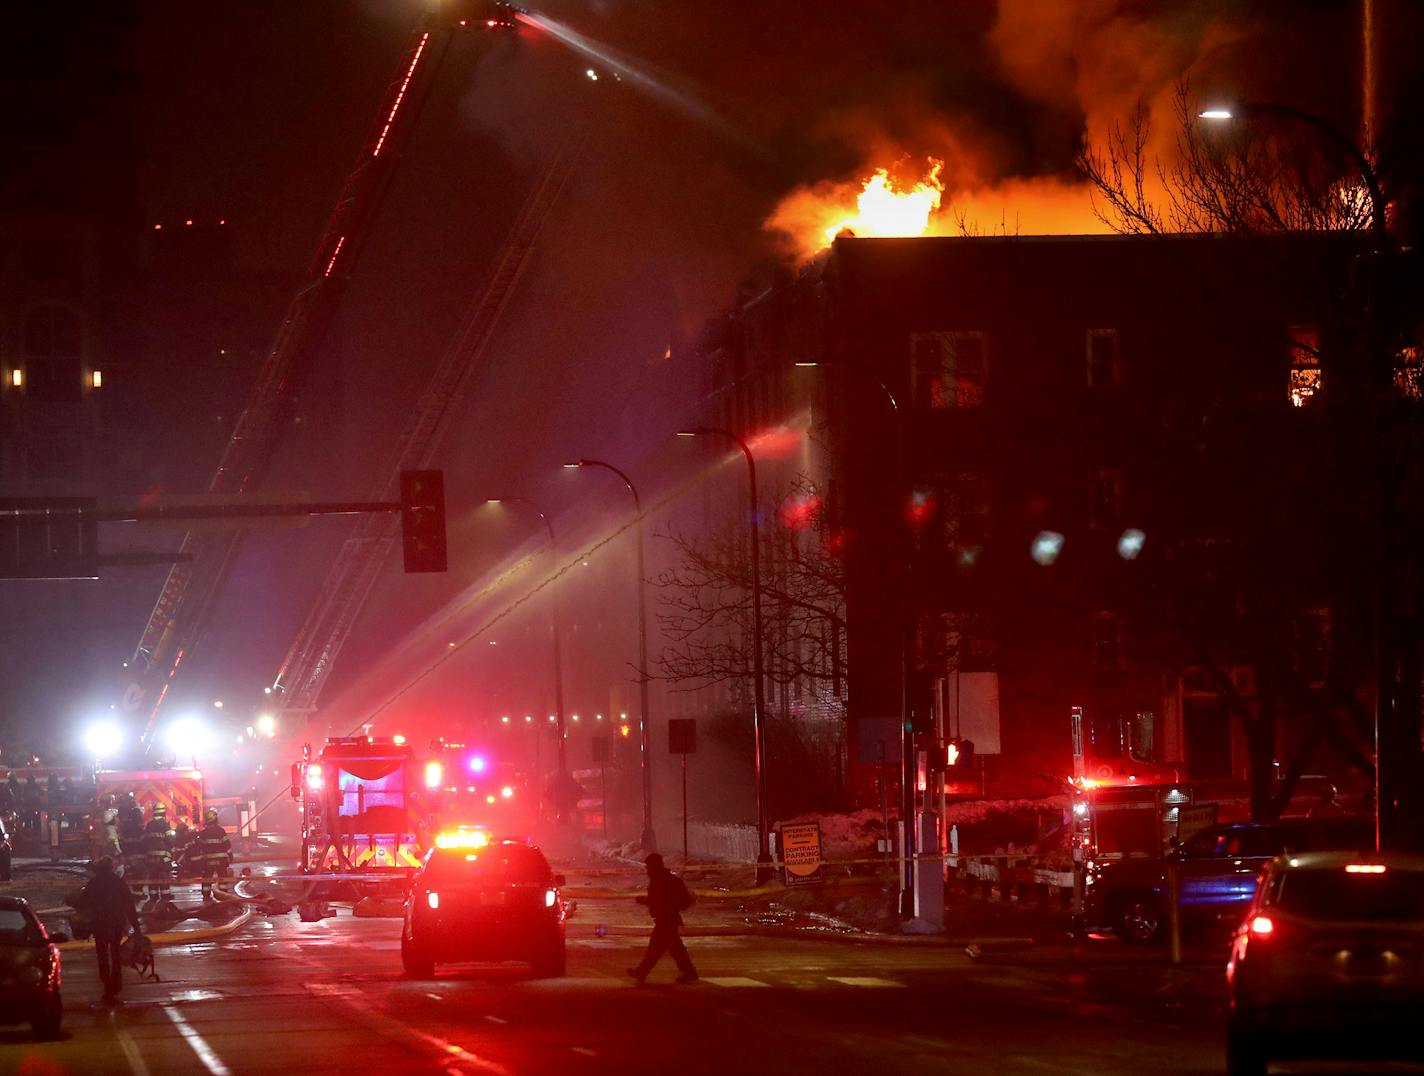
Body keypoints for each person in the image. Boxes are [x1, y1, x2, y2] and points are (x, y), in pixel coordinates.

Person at [74, 856, 141, 1003]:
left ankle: (106, 983)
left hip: (100, 924)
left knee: (102, 954)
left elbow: (83, 902)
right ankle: (116, 984)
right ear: (111, 868)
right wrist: (136, 926)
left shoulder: (94, 883)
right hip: (116, 924)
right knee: (115, 953)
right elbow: (129, 905)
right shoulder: (119, 883)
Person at [627, 853, 698, 984]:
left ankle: (642, 972)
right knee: (673, 948)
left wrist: (645, 901)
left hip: (666, 919)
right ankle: (689, 972)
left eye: (648, 867)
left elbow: (660, 901)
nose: (647, 871)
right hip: (667, 918)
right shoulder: (666, 879)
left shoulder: (661, 880)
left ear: (654, 866)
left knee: (658, 948)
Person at [194, 807, 232, 901]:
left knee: (207, 878)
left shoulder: (203, 833)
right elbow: (227, 844)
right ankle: (224, 895)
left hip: (207, 861)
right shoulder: (221, 831)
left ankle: (206, 895)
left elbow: (199, 847)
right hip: (221, 860)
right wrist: (230, 855)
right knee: (222, 878)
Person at [141, 802, 174, 906]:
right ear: (164, 812)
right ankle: (165, 897)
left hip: (151, 857)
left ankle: (153, 896)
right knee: (163, 877)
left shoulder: (149, 825)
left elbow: (145, 841)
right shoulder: (165, 824)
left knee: (153, 877)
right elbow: (170, 840)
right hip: (162, 858)